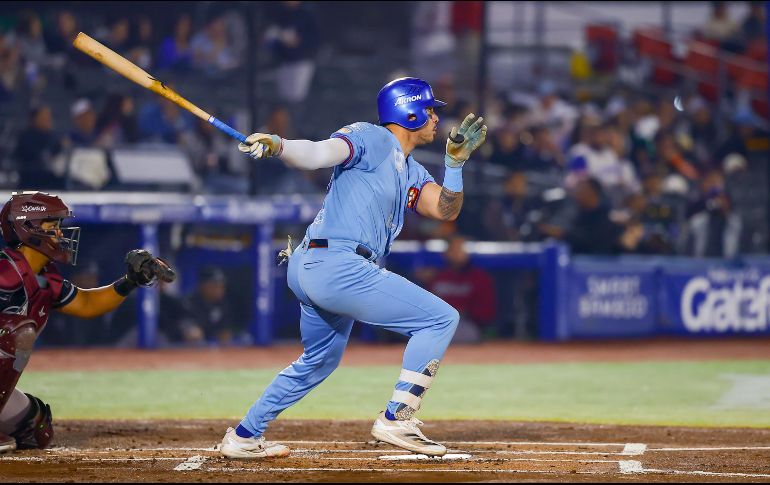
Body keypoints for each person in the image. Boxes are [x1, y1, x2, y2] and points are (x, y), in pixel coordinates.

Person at [222, 77, 487, 459]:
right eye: (430, 110)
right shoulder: (372, 137)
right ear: (408, 110)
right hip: (338, 264)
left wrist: (455, 165)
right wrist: (278, 144)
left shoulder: (410, 169)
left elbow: (444, 211)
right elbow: (316, 154)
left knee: (319, 361)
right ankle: (398, 417)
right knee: (440, 319)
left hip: (316, 264)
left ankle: (244, 435)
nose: (435, 118)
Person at [0, 191, 175, 453]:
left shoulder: (44, 279)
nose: (60, 235)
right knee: (16, 332)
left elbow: (87, 304)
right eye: (53, 227)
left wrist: (131, 282)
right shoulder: (5, 271)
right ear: (29, 229)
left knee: (37, 429)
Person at [428, 235, 496, 343]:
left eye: (460, 249)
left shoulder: (479, 277)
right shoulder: (439, 277)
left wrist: (466, 313)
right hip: (439, 323)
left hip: (466, 323)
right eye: (453, 250)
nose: (457, 253)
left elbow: (486, 310)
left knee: (466, 334)